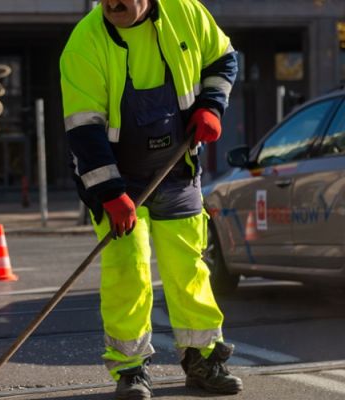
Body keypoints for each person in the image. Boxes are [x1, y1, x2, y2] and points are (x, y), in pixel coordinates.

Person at [60, 1, 241, 399]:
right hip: (117, 178)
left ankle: (203, 360)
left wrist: (212, 106)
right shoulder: (83, 44)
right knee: (128, 270)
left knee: (188, 267)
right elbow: (84, 132)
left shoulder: (187, 12)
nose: (114, 3)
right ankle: (131, 370)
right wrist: (111, 193)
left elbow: (223, 60)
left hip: (176, 169)